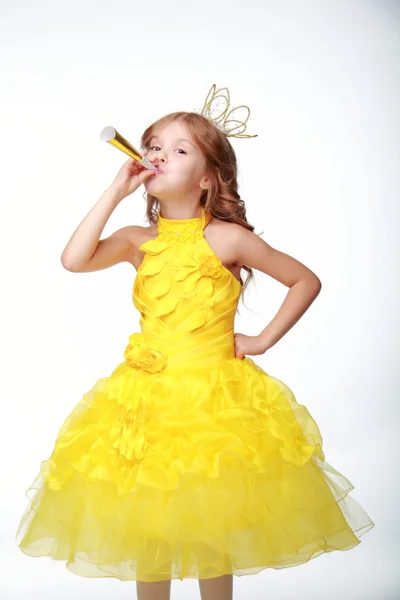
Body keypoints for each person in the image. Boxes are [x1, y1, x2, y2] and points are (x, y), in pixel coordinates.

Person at [16, 86, 375, 600]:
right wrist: (115, 191)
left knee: (212, 526)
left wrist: (262, 340)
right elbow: (73, 259)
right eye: (154, 145)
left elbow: (305, 280)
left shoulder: (228, 238)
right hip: (145, 403)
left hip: (215, 402)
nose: (159, 154)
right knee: (149, 525)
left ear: (207, 178)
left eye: (178, 149)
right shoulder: (138, 240)